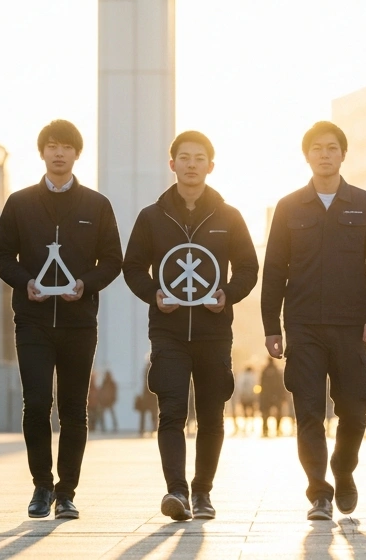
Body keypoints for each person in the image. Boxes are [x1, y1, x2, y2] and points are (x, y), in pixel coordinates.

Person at [123, 130, 259, 521]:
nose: (192, 164)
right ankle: (176, 492)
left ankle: (202, 493)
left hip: (214, 330)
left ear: (211, 166)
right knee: (171, 411)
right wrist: (154, 294)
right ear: (172, 164)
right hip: (167, 331)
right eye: (184, 157)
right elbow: (133, 267)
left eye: (199, 158)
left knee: (212, 414)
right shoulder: (152, 217)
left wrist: (227, 295)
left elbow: (248, 267)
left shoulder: (229, 216)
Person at [0, 119, 122, 520]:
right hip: (32, 319)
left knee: (73, 408)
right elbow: (0, 255)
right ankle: (41, 486)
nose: (59, 153)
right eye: (52, 145)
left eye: (66, 146)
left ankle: (66, 492)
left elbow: (112, 260)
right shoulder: (20, 202)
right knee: (36, 402)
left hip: (79, 322)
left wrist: (85, 284)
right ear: (42, 152)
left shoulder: (96, 205)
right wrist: (25, 281)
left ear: (77, 153)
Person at [261, 121, 366, 521]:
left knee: (354, 409)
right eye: (316, 148)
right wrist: (271, 326)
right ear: (306, 155)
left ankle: (343, 469)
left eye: (332, 147)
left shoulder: (364, 204)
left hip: (351, 325)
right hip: (303, 325)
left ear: (343, 154)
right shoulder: (288, 206)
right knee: (308, 412)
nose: (324, 154)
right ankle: (319, 492)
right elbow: (274, 269)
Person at [259, 358, 285, 437]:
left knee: (265, 413)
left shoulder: (264, 371)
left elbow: (261, 384)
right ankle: (278, 428)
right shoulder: (277, 371)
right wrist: (282, 396)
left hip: (266, 395)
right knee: (278, 412)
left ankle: (265, 429)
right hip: (276, 395)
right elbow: (280, 384)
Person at [234, 365, 259, 434]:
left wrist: (240, 396)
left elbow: (239, 387)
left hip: (244, 397)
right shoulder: (253, 376)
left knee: (244, 411)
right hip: (251, 397)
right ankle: (252, 425)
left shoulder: (242, 376)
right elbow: (256, 387)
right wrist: (255, 396)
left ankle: (245, 425)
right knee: (252, 411)